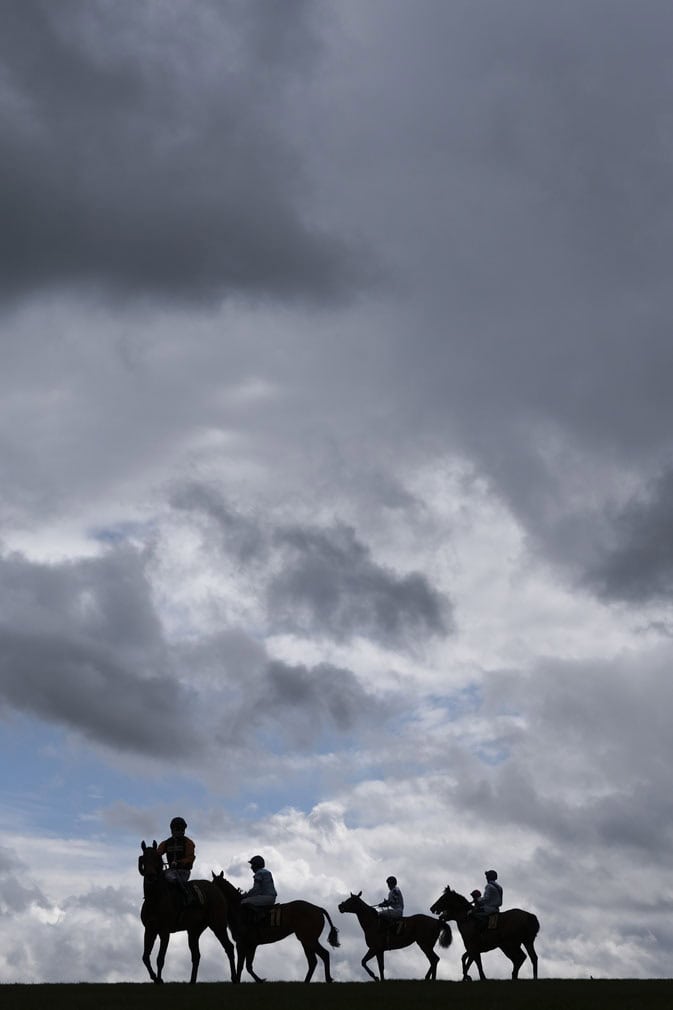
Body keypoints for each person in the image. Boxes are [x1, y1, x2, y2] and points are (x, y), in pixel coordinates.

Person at [157, 816, 196, 905]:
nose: (178, 831)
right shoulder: (166, 843)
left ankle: (187, 895)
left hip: (183, 871)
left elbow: (190, 858)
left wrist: (179, 863)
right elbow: (158, 853)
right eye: (176, 829)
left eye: (180, 829)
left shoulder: (188, 843)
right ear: (172, 830)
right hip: (171, 871)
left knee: (170, 877)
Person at [240, 855, 277, 920]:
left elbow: (256, 889)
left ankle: (258, 917)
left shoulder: (259, 873)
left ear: (256, 865)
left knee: (244, 901)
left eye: (252, 865)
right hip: (272, 898)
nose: (251, 867)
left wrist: (246, 895)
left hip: (266, 897)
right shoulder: (267, 872)